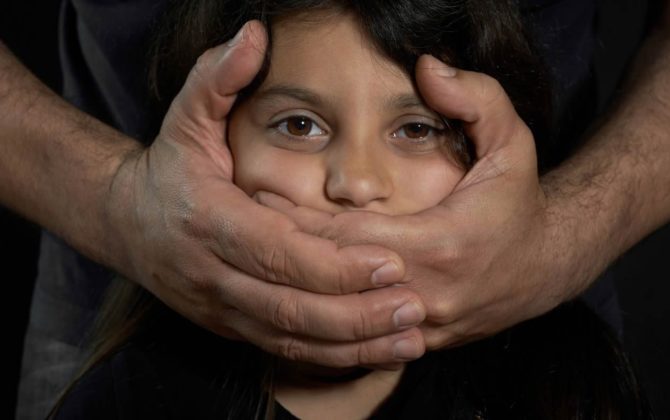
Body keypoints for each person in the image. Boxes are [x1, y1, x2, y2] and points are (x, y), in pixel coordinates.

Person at [2, 0, 667, 417]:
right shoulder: (126, 398)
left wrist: (560, 235)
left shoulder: (567, 393)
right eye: (299, 126)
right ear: (215, 142)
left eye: (417, 128)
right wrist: (120, 199)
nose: (356, 183)